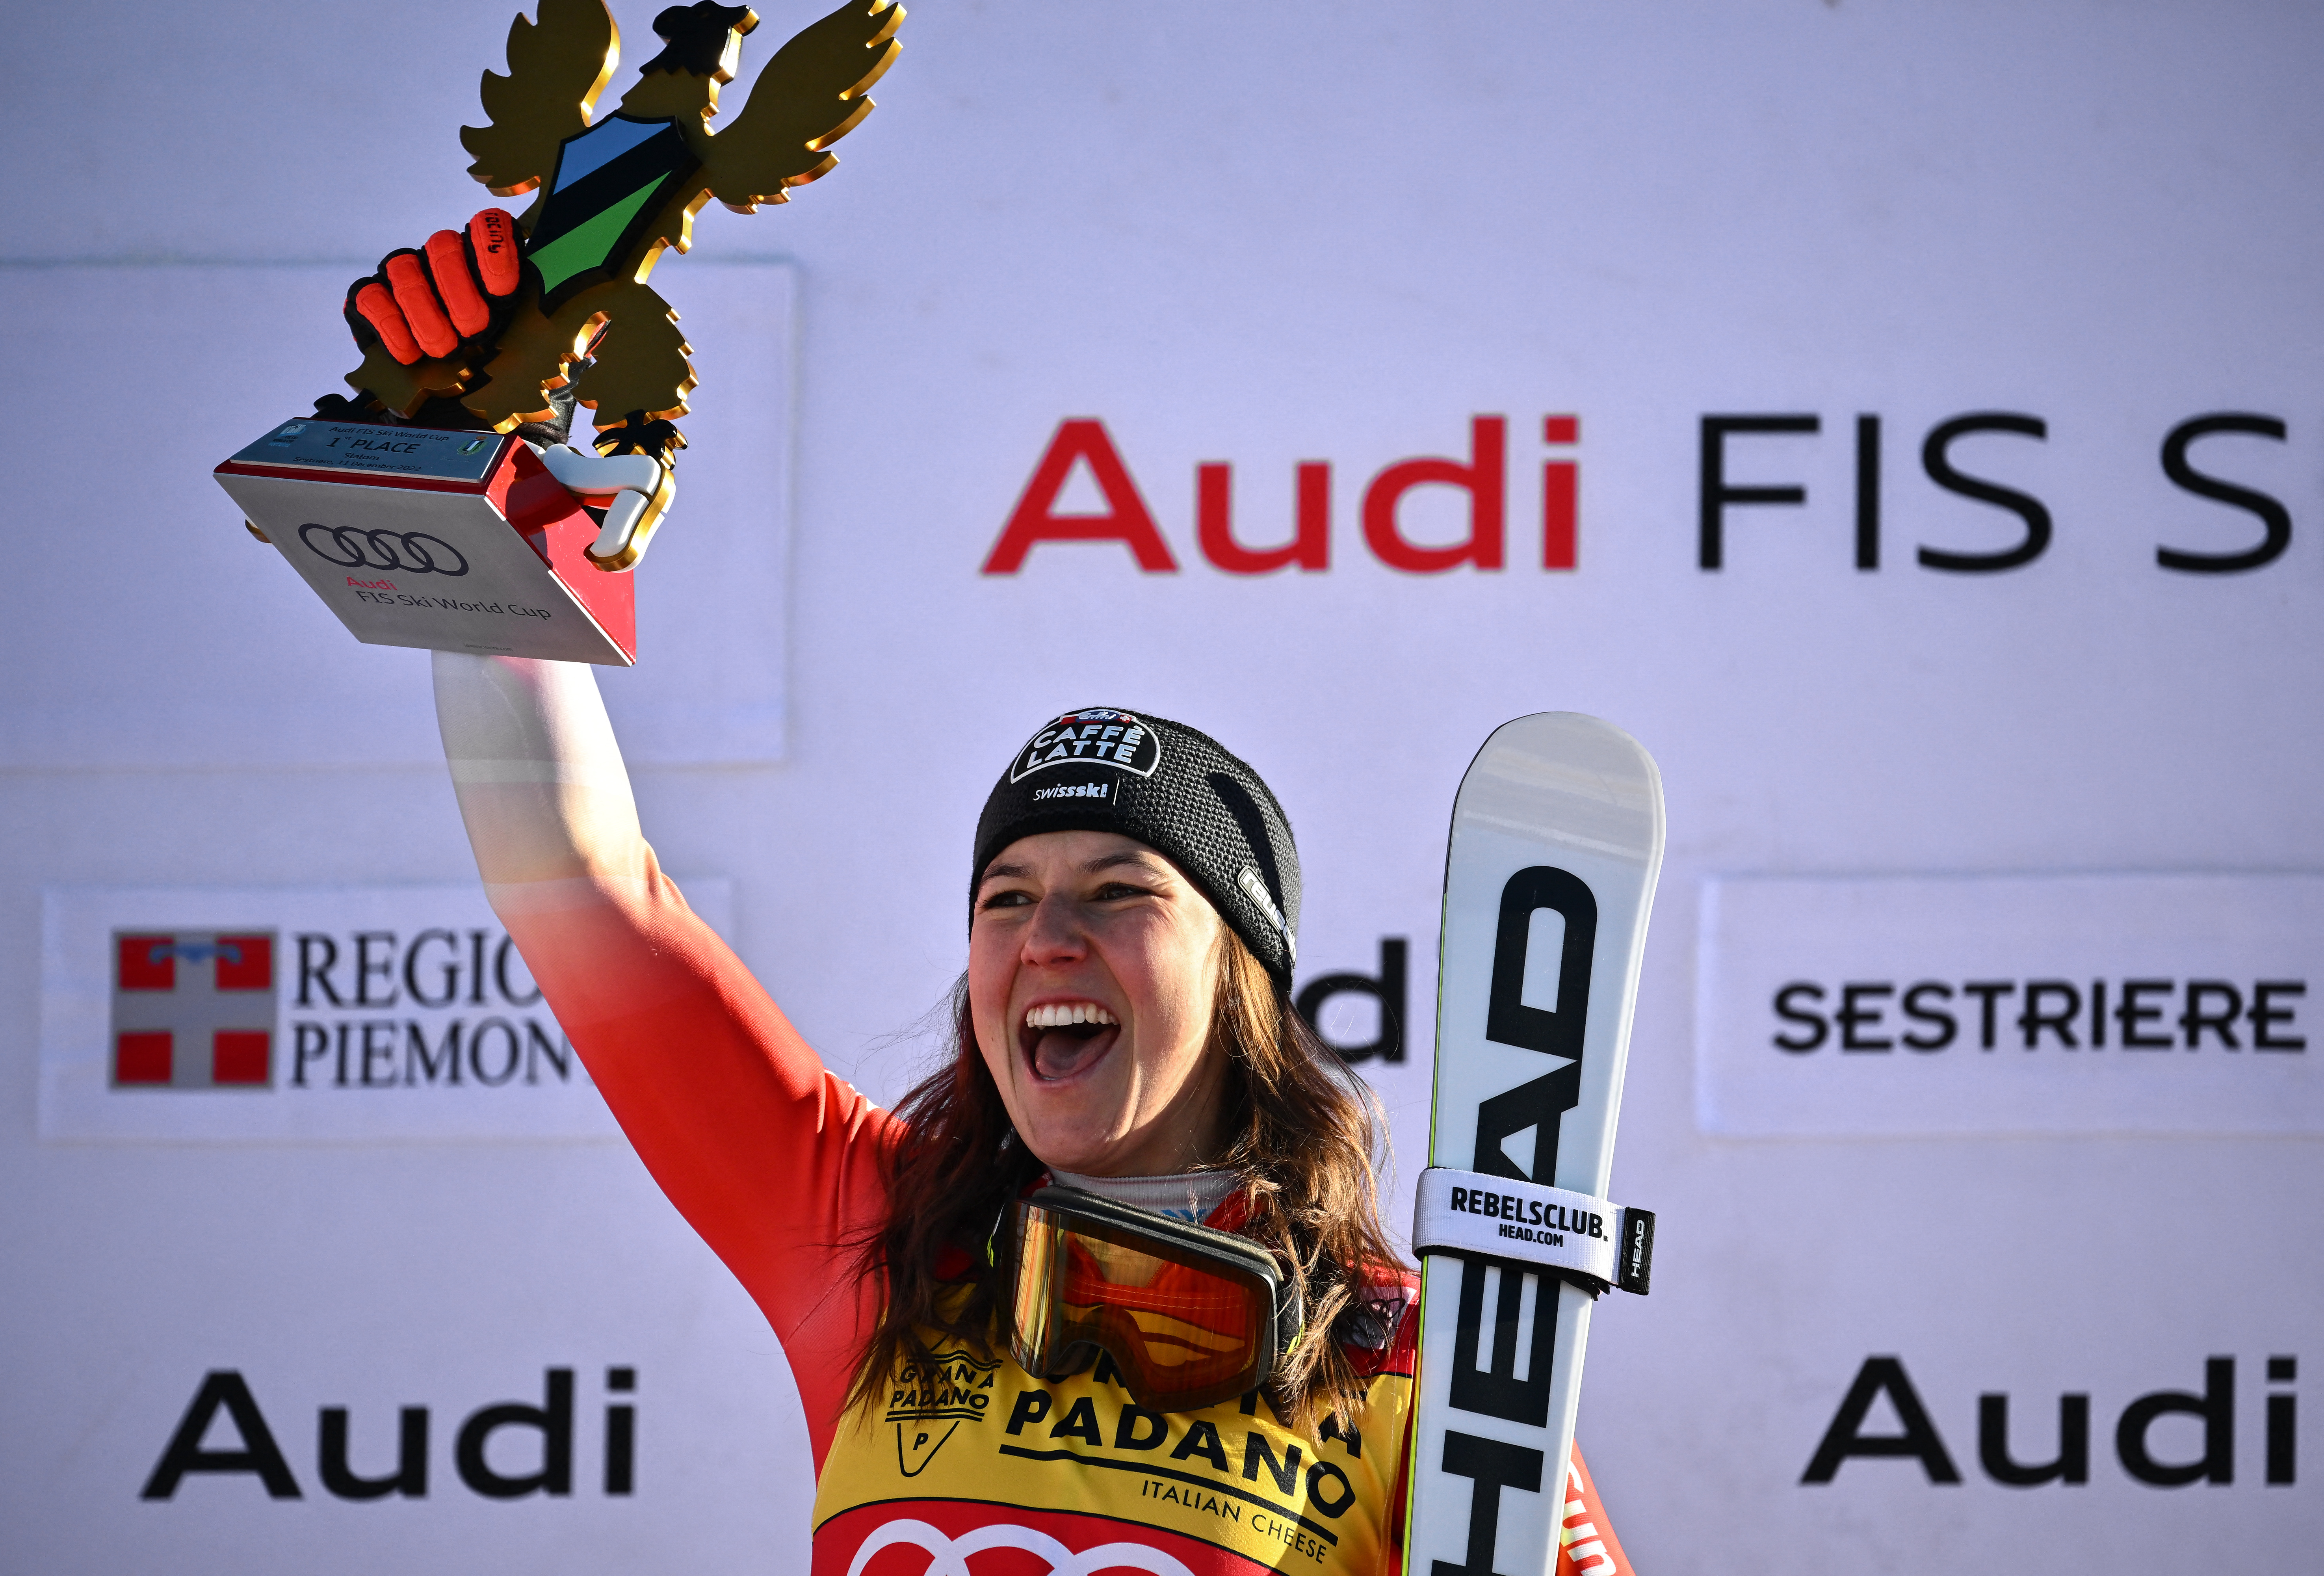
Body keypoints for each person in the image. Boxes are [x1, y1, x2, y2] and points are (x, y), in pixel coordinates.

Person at [358, 219, 1636, 1576]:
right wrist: (475, 466)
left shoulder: (1412, 1361)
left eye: (1119, 890)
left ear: (1241, 978)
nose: (1046, 940)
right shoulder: (872, 1237)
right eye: (1006, 897)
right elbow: (583, 891)